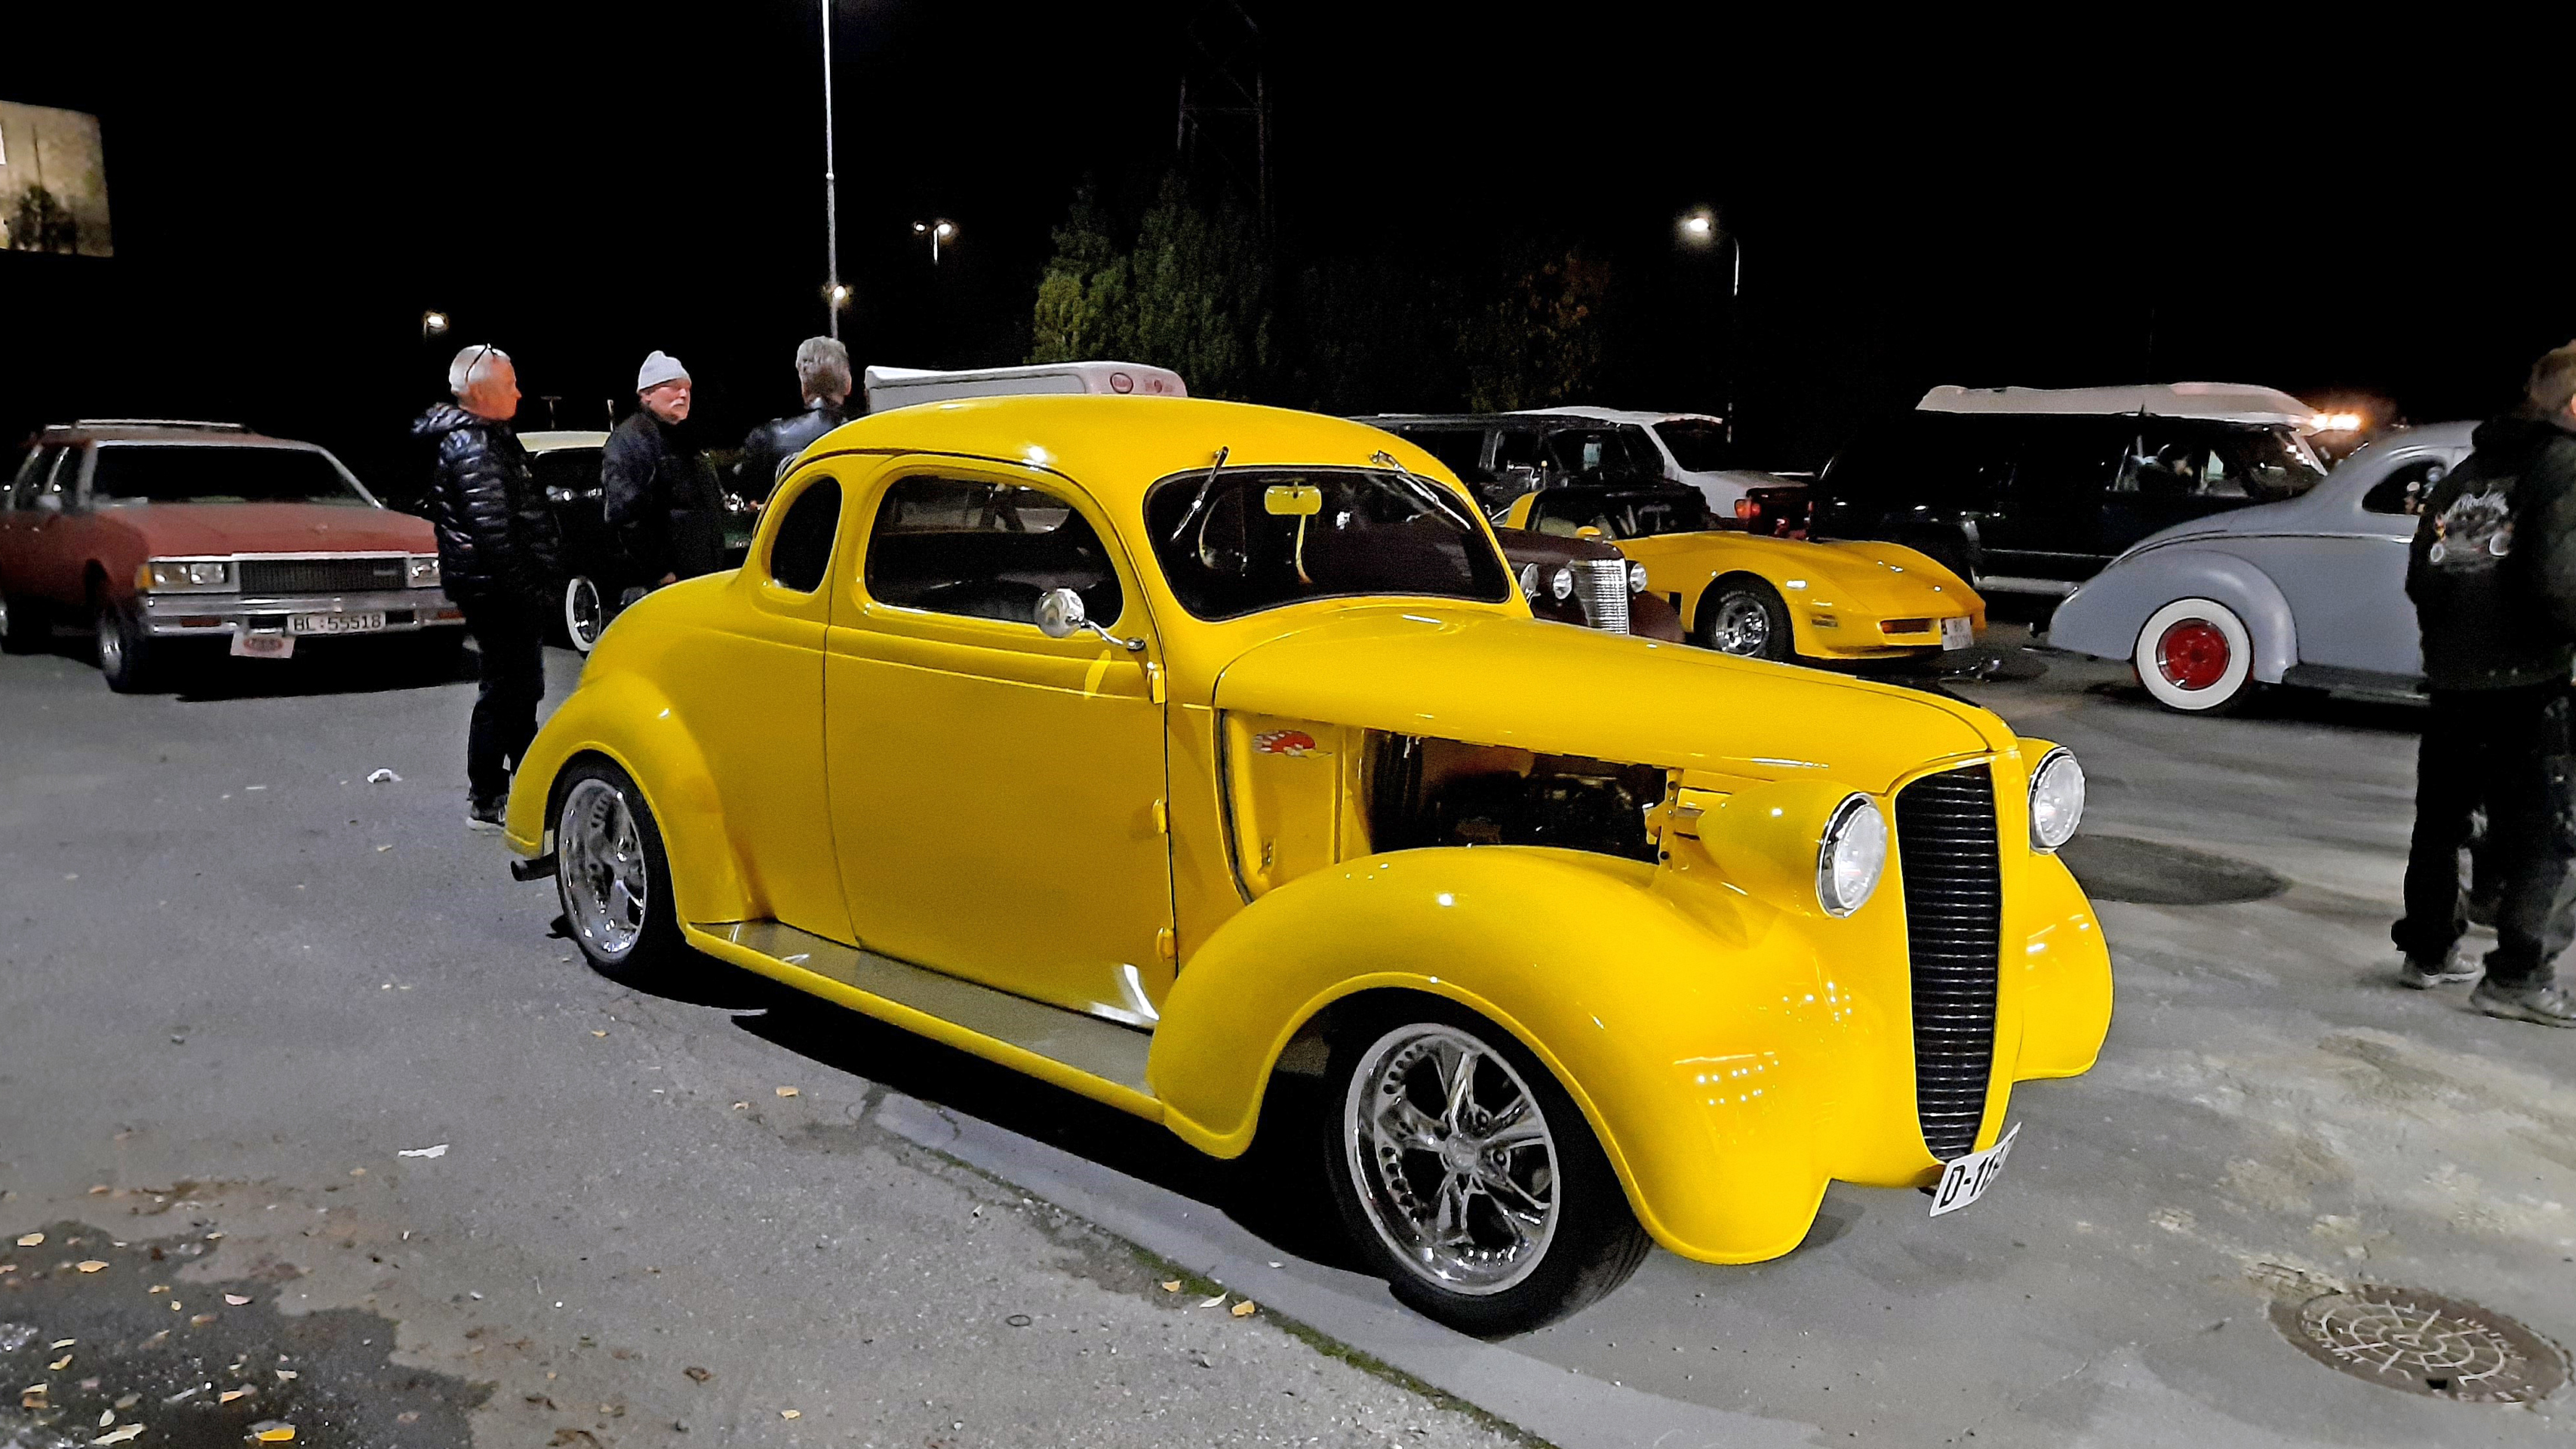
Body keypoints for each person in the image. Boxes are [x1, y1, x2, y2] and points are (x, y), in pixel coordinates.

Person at [2393, 340, 2576, 1026]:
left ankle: (2429, 949)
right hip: (2532, 678)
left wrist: (2453, 646)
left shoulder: (2469, 471)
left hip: (2454, 678)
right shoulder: (2565, 465)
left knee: (2443, 820)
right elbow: (2559, 582)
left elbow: (2422, 573)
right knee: (2549, 833)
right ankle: (2518, 975)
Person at [412, 344, 561, 829]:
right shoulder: (472, 446)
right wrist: (529, 590)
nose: (519, 392)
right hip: (496, 591)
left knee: (520, 688)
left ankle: (527, 785)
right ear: (479, 393)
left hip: (500, 588)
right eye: (510, 384)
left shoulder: (489, 438)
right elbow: (495, 532)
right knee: (506, 690)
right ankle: (489, 796)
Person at [603, 350, 725, 595]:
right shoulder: (631, 440)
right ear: (646, 394)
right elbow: (626, 516)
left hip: (699, 580)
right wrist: (661, 574)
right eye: (673, 387)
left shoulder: (684, 439)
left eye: (687, 389)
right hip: (665, 588)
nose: (683, 394)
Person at [735, 337, 853, 502]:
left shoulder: (766, 438)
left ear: (803, 384)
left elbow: (746, 496)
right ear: (848, 384)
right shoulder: (867, 435)